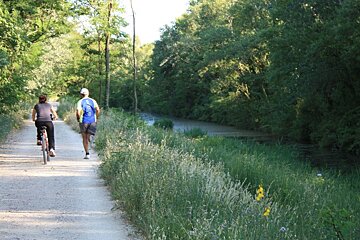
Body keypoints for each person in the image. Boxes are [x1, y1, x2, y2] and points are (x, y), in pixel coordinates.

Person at [76, 88, 100, 159]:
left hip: (83, 121)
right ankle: (91, 142)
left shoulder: (80, 101)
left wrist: (78, 118)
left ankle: (87, 153)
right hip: (92, 120)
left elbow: (78, 111)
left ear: (81, 94)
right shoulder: (93, 101)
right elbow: (98, 109)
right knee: (89, 136)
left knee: (84, 138)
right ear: (88, 93)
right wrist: (97, 117)